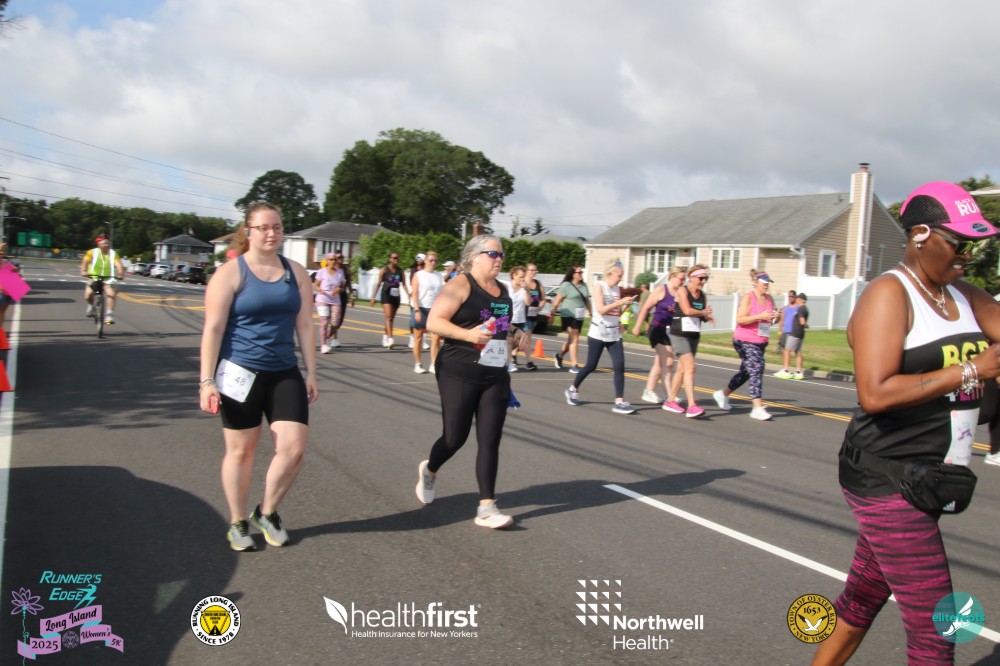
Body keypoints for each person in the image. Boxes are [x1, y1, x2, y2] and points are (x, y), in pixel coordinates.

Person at [812, 181, 1000, 665]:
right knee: (939, 632)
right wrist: (972, 370)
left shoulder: (964, 294)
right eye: (959, 243)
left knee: (860, 601)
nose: (968, 256)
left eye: (976, 245)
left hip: (932, 476)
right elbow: (875, 393)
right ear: (920, 235)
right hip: (887, 476)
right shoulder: (889, 295)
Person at [199, 202, 319, 551]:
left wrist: (311, 372)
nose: (271, 233)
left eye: (277, 227)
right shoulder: (230, 273)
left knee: (293, 448)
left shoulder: (296, 272)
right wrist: (206, 381)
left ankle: (266, 512)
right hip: (239, 373)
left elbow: (305, 325)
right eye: (264, 227)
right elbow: (213, 329)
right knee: (241, 451)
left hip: (284, 371)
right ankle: (237, 521)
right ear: (248, 232)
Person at [414, 234, 528, 529]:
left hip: (494, 375)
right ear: (475, 256)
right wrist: (468, 334)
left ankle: (487, 507)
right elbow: (434, 322)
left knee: (490, 439)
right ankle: (430, 470)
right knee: (455, 437)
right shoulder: (460, 285)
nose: (499, 259)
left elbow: (499, 325)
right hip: (458, 371)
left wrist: (514, 332)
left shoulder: (502, 290)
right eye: (493, 254)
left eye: (502, 254)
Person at [563, 263, 637, 414]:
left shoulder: (616, 289)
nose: (621, 279)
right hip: (598, 332)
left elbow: (615, 312)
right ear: (610, 274)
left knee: (619, 365)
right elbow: (601, 309)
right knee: (591, 365)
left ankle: (619, 401)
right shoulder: (599, 286)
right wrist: (620, 302)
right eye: (619, 276)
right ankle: (572, 389)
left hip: (614, 333)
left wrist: (626, 306)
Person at [713, 272, 778, 421]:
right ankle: (757, 408)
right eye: (764, 282)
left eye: (768, 283)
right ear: (755, 282)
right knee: (757, 367)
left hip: (761, 341)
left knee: (747, 372)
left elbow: (771, 319)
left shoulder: (769, 299)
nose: (766, 285)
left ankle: (722, 394)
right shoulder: (749, 297)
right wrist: (759, 316)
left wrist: (776, 317)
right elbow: (740, 319)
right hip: (744, 340)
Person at [662, 265, 714, 417]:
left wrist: (706, 317)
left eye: (705, 278)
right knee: (690, 367)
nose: (703, 281)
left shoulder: (702, 295)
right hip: (679, 334)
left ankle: (670, 401)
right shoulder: (682, 291)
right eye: (700, 278)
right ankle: (692, 406)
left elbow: (699, 315)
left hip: (693, 335)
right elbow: (687, 310)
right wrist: (702, 312)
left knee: (682, 370)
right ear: (691, 277)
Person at [633, 267, 685, 404]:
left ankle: (649, 391)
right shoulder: (661, 290)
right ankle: (669, 396)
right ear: (672, 277)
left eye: (684, 279)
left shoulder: (680, 293)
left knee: (659, 362)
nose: (683, 282)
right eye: (681, 279)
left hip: (670, 332)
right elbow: (646, 307)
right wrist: (638, 326)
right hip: (657, 329)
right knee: (668, 361)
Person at [549, 266, 591, 372]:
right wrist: (552, 315)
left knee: (572, 340)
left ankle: (559, 356)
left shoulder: (584, 285)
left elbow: (587, 300)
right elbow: (557, 301)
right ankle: (575, 365)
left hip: (579, 316)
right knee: (575, 337)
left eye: (582, 272)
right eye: (579, 272)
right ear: (573, 274)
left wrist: (591, 313)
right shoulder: (566, 285)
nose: (581, 274)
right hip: (568, 315)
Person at [410, 251, 444, 373]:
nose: (433, 263)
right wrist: (417, 310)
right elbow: (414, 293)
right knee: (418, 338)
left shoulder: (439, 275)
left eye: (435, 261)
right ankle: (418, 364)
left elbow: (442, 293)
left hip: (435, 309)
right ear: (425, 261)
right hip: (421, 308)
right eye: (431, 260)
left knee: (436, 338)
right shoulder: (418, 275)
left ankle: (433, 364)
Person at [80, 234, 124, 325]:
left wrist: (120, 273)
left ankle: (109, 314)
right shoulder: (92, 252)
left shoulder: (113, 254)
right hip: (94, 276)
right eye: (104, 243)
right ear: (98, 244)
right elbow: (85, 262)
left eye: (108, 243)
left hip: (108, 278)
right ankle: (91, 306)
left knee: (111, 294)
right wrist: (84, 271)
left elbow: (119, 265)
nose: (106, 245)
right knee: (88, 295)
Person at [370, 251, 406, 349]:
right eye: (394, 258)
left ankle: (385, 337)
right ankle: (390, 339)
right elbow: (378, 283)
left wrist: (409, 294)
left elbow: (404, 284)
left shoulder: (400, 271)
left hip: (396, 296)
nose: (396, 260)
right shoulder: (384, 270)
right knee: (388, 317)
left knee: (391, 318)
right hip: (386, 295)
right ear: (390, 259)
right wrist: (373, 297)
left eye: (397, 258)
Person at [313, 252, 347, 354]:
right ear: (327, 260)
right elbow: (316, 285)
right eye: (331, 259)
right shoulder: (321, 272)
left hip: (335, 300)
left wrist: (339, 289)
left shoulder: (340, 272)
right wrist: (319, 289)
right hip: (322, 299)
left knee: (335, 323)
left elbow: (342, 286)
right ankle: (323, 345)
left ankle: (326, 336)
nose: (333, 261)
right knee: (324, 322)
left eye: (335, 259)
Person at [504, 265, 531, 372]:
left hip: (520, 320)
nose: (523, 279)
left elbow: (528, 303)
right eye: (521, 277)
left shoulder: (523, 289)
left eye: (524, 277)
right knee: (509, 340)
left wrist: (527, 290)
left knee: (520, 342)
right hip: (509, 320)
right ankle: (509, 363)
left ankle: (507, 358)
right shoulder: (507, 286)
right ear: (514, 275)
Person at [777, 293, 809, 380]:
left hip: (795, 332)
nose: (796, 300)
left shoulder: (800, 309)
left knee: (787, 350)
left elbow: (802, 321)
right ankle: (799, 372)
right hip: (801, 333)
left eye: (798, 298)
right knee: (798, 352)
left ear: (801, 300)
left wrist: (805, 325)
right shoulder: (805, 308)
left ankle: (786, 370)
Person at [522, 263, 547, 371]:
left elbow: (543, 298)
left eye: (535, 270)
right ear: (526, 271)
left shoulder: (538, 283)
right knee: (527, 338)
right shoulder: (523, 283)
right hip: (523, 314)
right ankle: (529, 362)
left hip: (533, 314)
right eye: (532, 270)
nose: (534, 272)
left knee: (522, 338)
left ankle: (512, 355)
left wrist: (541, 306)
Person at [0, 242, 22, 329]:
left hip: (7, 290)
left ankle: (1, 331)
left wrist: (14, 270)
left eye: (3, 250)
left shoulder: (4, 261)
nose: (2, 252)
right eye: (0, 250)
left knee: (2, 311)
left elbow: (8, 272)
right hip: (1, 290)